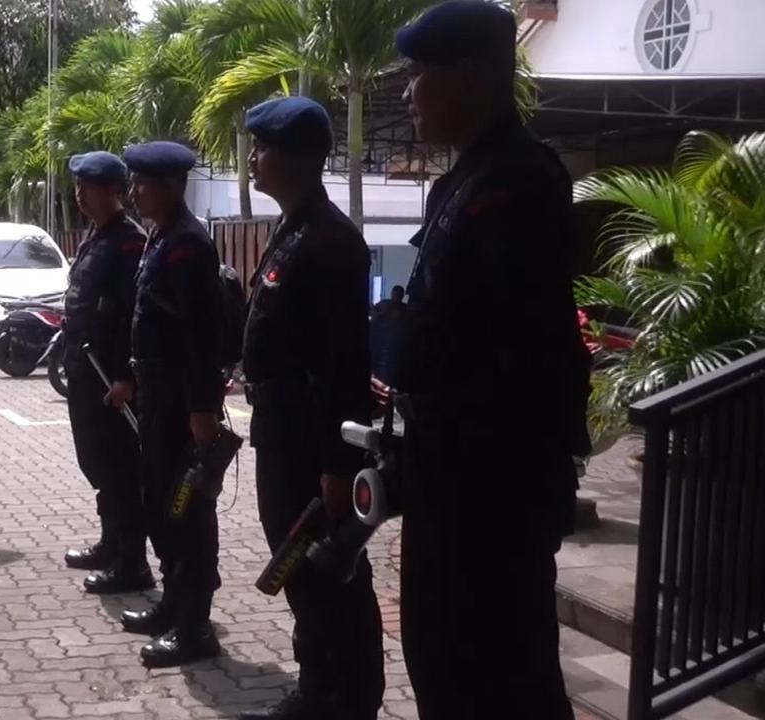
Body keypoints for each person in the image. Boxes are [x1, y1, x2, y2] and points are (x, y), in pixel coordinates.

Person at [383, 3, 590, 718]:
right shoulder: (463, 183)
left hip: (491, 482)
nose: (407, 93)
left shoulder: (518, 183)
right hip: (449, 471)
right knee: (442, 659)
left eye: (419, 75)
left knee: (499, 670)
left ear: (468, 77)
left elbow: (522, 351)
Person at [237, 97, 385, 719]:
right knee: (300, 573)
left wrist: (335, 463)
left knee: (329, 574)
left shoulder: (329, 241)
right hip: (280, 433)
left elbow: (340, 365)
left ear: (296, 158)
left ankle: (348, 700)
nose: (251, 160)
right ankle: (319, 688)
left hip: (311, 445)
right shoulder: (293, 229)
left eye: (262, 148)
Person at [118, 141, 224, 668]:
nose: (134, 193)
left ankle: (194, 627)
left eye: (142, 183)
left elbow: (202, 337)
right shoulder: (163, 237)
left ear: (172, 186)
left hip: (184, 407)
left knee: (187, 513)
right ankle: (173, 604)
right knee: (161, 504)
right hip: (160, 400)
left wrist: (202, 409)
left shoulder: (187, 245)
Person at [61, 151, 154, 595]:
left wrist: (124, 376)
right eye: (78, 186)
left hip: (109, 379)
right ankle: (110, 543)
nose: (80, 195)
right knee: (95, 464)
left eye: (89, 187)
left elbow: (131, 317)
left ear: (113, 191)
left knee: (118, 469)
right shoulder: (96, 237)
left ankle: (132, 562)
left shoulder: (128, 243)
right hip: (85, 373)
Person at [369, 285, 407, 383]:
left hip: (393, 342)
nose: (395, 297)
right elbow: (373, 313)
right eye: (394, 295)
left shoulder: (404, 309)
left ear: (401, 296)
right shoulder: (384, 304)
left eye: (397, 295)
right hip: (380, 339)